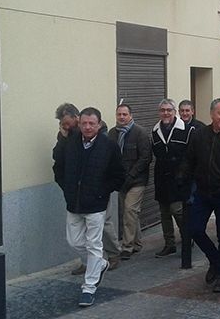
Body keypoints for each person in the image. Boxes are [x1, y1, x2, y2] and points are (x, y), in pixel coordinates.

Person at [53, 107, 125, 307]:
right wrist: (67, 188)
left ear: (99, 124)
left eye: (91, 123)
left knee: (94, 245)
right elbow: (58, 166)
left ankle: (89, 287)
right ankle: (100, 263)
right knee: (74, 241)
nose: (87, 127)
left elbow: (119, 175)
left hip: (96, 205)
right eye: (84, 123)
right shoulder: (70, 143)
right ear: (79, 123)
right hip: (73, 203)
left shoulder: (109, 146)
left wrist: (102, 192)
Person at [178, 98, 220, 293]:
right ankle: (216, 261)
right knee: (194, 229)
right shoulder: (199, 136)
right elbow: (189, 160)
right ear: (212, 114)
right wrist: (182, 176)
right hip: (202, 192)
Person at [107, 104, 152, 260]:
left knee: (129, 210)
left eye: (125, 114)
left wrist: (131, 175)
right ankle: (137, 243)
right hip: (120, 181)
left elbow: (146, 158)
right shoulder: (112, 134)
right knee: (131, 213)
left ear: (130, 115)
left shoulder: (140, 133)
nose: (121, 117)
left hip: (137, 180)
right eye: (119, 114)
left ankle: (127, 247)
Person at [151, 99, 195, 257]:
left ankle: (187, 239)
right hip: (161, 178)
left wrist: (184, 175)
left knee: (178, 211)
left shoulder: (187, 130)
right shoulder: (155, 131)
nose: (166, 113)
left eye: (169, 110)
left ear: (174, 112)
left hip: (179, 179)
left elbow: (191, 155)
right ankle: (169, 244)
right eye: (163, 110)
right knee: (164, 213)